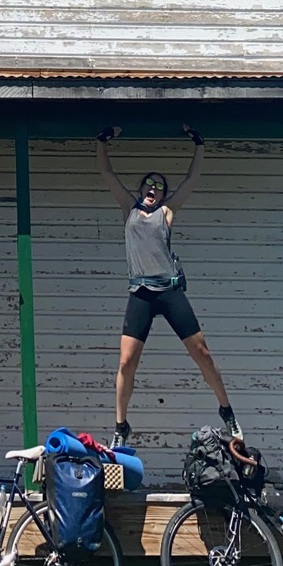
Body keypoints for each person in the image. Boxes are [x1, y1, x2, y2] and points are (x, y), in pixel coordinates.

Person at [96, 124, 240, 448]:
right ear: (141, 189)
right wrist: (102, 142)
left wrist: (199, 146)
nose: (153, 188)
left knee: (201, 352)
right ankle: (121, 425)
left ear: (162, 194)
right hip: (141, 293)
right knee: (126, 361)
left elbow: (191, 180)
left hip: (170, 291)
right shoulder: (129, 209)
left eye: (159, 186)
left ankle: (226, 409)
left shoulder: (166, 212)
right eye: (149, 184)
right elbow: (107, 173)